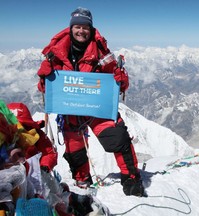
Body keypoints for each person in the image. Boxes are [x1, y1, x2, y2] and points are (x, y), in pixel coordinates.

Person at [36, 7, 144, 196]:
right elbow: (48, 90)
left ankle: (131, 178)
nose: (81, 31)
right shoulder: (56, 54)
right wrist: (44, 78)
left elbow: (120, 84)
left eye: (85, 27)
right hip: (71, 108)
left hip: (97, 107)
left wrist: (120, 77)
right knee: (74, 147)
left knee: (118, 138)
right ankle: (82, 180)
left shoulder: (101, 51)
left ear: (91, 29)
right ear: (71, 28)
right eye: (77, 26)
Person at [7, 102, 58, 173]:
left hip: (33, 175)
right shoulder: (3, 137)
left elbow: (49, 153)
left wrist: (44, 166)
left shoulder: (37, 134)